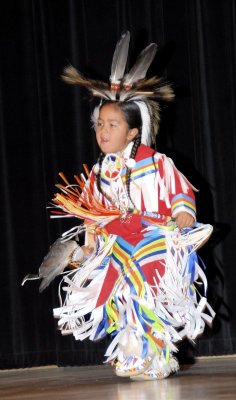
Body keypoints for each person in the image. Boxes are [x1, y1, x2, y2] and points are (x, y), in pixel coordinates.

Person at [25, 31, 215, 380]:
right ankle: (132, 356)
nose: (103, 131)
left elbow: (179, 194)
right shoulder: (98, 171)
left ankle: (155, 359)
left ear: (132, 132)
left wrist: (183, 215)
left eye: (112, 125)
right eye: (99, 124)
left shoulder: (157, 163)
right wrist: (88, 246)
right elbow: (93, 215)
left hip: (152, 239)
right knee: (122, 299)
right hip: (116, 245)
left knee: (146, 298)